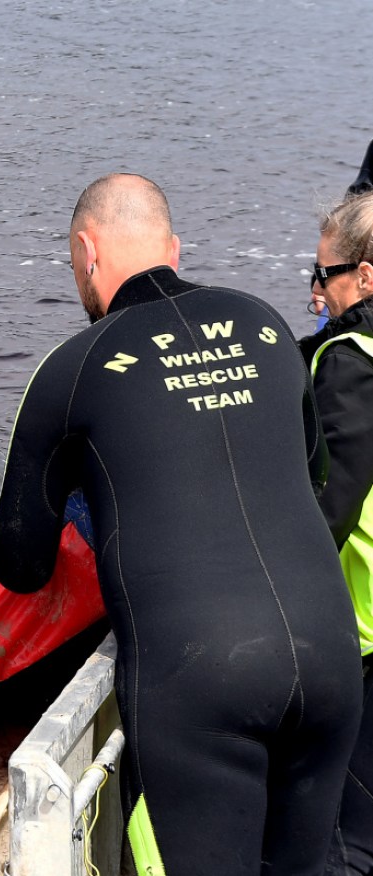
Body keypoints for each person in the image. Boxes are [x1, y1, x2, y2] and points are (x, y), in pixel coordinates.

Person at [0, 173, 361, 875]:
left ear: (85, 251)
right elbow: (311, 477)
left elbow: (18, 559)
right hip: (330, 652)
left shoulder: (72, 368)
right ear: (173, 249)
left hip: (200, 675)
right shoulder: (264, 324)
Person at [297, 192, 373, 875]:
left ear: (366, 276)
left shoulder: (350, 360)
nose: (316, 290)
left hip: (365, 636)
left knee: (345, 841)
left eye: (324, 273)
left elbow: (329, 509)